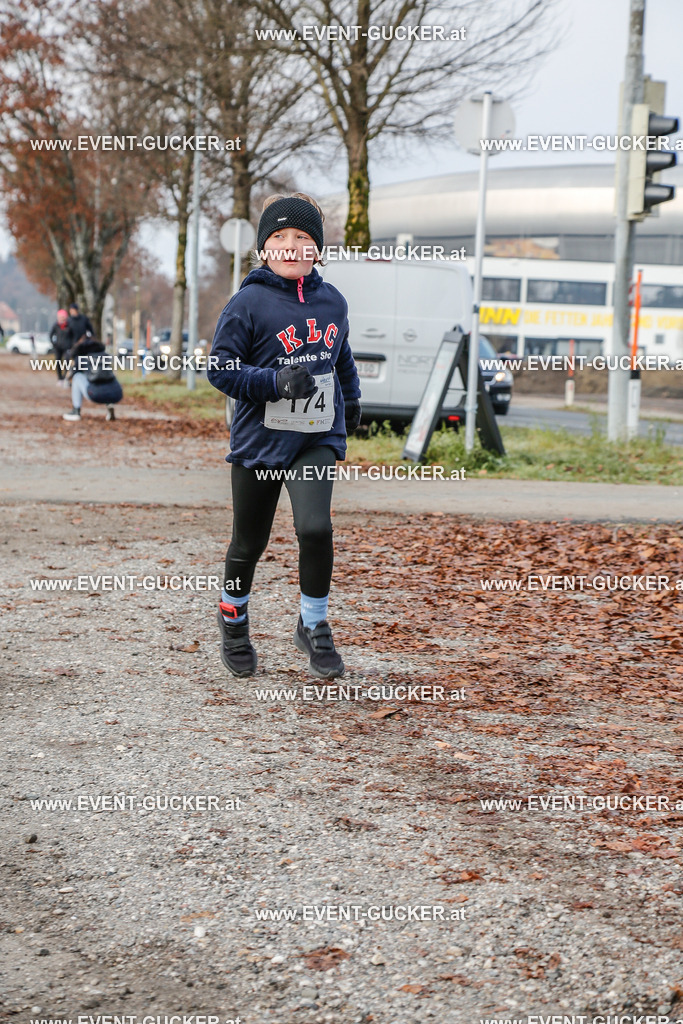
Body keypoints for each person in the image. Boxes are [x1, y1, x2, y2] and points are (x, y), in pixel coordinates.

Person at [208, 193, 361, 680]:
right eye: (279, 237)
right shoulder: (247, 303)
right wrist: (273, 382)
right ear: (264, 248)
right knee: (248, 543)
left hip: (315, 437)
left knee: (315, 529)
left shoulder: (333, 301)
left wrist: (352, 401)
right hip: (260, 442)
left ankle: (313, 624)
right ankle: (234, 619)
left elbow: (341, 356)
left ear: (317, 249)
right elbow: (221, 369)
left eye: (302, 237)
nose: (291, 246)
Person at [62, 333, 122, 422]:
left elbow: (71, 374)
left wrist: (66, 380)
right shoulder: (104, 355)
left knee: (77, 377)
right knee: (105, 377)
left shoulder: (81, 358)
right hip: (116, 394)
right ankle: (109, 406)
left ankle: (76, 411)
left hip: (95, 395)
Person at [48, 309, 74, 382]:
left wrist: (71, 344)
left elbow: (73, 336)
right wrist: (54, 344)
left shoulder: (69, 325)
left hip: (67, 347)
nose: (62, 319)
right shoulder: (56, 325)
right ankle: (60, 378)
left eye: (63, 317)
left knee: (67, 361)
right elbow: (51, 335)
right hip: (58, 347)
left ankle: (65, 376)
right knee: (58, 362)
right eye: (60, 317)